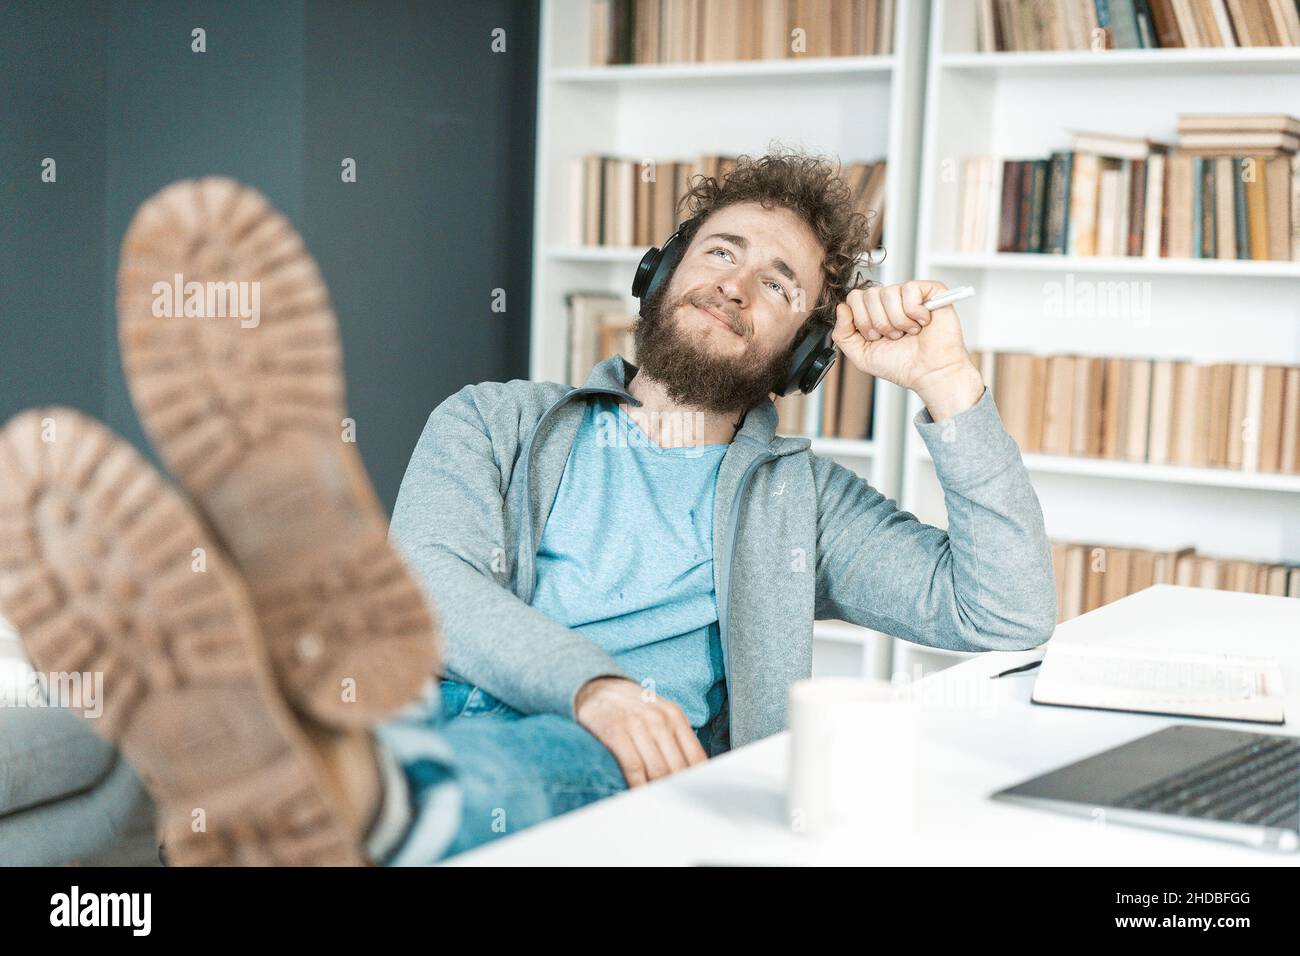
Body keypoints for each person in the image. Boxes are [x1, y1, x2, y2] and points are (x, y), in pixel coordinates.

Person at [0, 148, 1055, 866]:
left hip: (597, 759)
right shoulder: (496, 419)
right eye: (719, 250)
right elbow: (432, 583)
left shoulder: (806, 504)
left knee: (547, 757)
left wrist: (947, 384)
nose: (735, 282)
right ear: (660, 273)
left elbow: (1002, 613)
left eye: (780, 284)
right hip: (426, 693)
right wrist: (596, 682)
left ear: (808, 354)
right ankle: (280, 747)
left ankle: (336, 788)